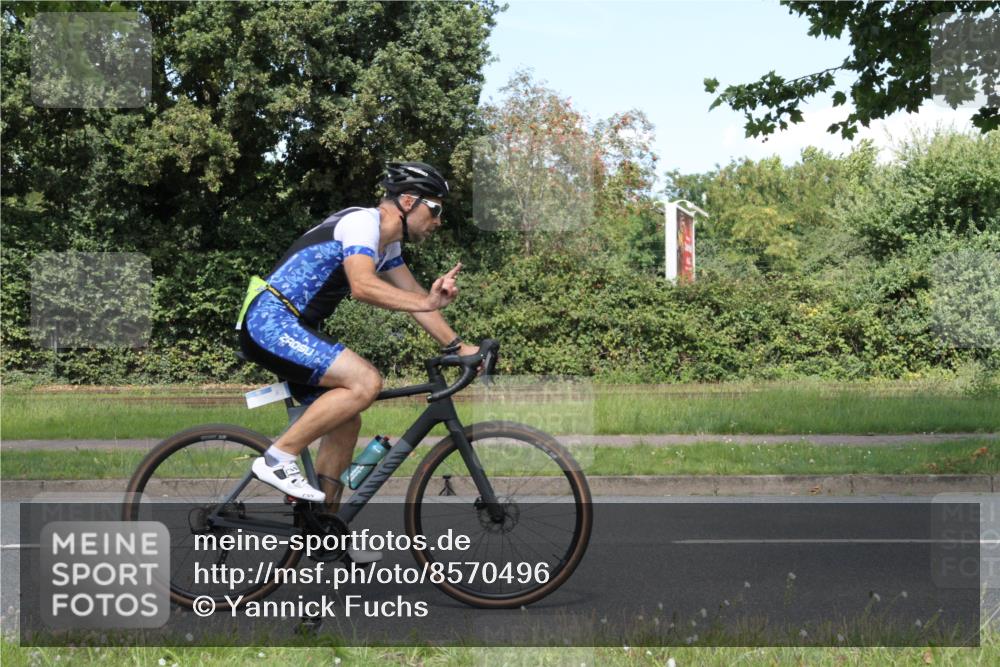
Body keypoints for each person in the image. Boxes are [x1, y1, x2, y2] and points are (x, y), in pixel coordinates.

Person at [237, 162, 479, 559]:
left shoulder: (388, 247)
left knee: (347, 419)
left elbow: (418, 300)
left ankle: (325, 532)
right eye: (434, 209)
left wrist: (458, 347)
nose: (438, 220)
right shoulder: (361, 223)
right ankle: (278, 458)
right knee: (366, 382)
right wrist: (426, 300)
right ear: (407, 201)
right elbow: (362, 286)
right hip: (270, 320)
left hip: (292, 327)